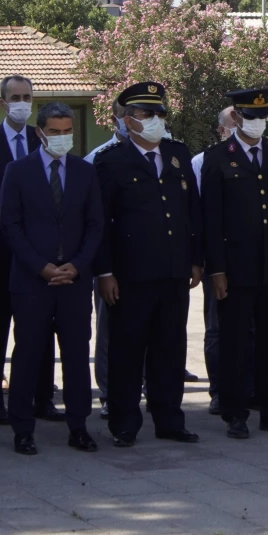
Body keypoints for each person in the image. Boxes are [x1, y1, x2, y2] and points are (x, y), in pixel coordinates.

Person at [94, 81, 202, 445]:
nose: (156, 120)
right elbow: (101, 223)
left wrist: (196, 260)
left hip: (173, 270)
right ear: (126, 119)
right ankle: (124, 422)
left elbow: (192, 213)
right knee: (127, 349)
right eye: (146, 114)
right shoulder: (110, 161)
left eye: (160, 113)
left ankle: (169, 419)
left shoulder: (177, 154)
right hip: (130, 274)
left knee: (170, 348)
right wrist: (105, 272)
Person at [0, 102, 103, 454]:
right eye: (54, 132)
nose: (61, 138)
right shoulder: (18, 170)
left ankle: (79, 426)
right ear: (40, 132)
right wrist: (40, 267)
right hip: (32, 282)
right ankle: (23, 429)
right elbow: (9, 225)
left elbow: (95, 224)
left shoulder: (84, 171)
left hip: (74, 281)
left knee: (75, 355)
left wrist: (78, 264)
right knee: (28, 354)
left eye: (67, 131)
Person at [201, 88, 268, 439]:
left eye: (263, 117)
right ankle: (235, 411)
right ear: (237, 118)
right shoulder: (218, 157)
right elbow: (210, 220)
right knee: (234, 341)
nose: (258, 123)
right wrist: (216, 269)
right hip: (235, 266)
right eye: (251, 117)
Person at [0, 75, 59, 425]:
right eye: (16, 97)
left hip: (40, 257)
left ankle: (43, 397)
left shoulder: (47, 140)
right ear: (2, 102)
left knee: (39, 328)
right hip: (2, 253)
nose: (23, 102)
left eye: (28, 96)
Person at [193, 106, 246, 415]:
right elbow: (199, 217)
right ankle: (219, 391)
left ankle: (248, 387)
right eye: (233, 124)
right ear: (221, 130)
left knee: (251, 329)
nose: (240, 128)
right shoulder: (203, 162)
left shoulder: (266, 156)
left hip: (253, 259)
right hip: (218, 259)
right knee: (217, 329)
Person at [84, 96, 128, 418]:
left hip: (150, 263)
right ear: (115, 119)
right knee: (109, 332)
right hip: (112, 263)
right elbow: (93, 222)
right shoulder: (96, 160)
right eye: (128, 114)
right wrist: (102, 271)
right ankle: (110, 395)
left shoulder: (168, 154)